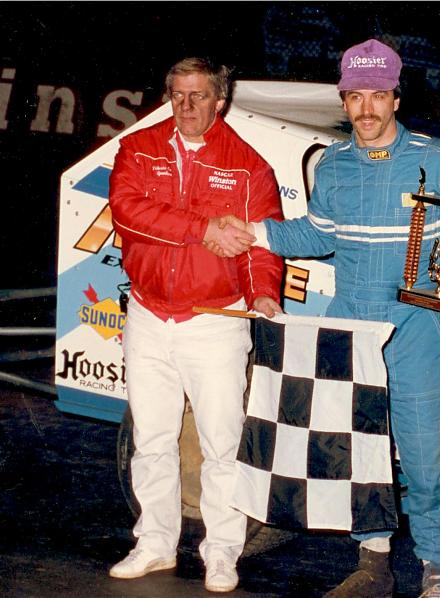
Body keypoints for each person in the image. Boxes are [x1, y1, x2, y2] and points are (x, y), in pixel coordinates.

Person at [216, 39, 440, 598]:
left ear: (396, 98)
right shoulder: (334, 164)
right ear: (344, 100)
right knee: (360, 453)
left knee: (423, 457)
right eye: (355, 97)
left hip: (415, 327)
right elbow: (317, 235)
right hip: (349, 327)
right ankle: (373, 561)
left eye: (378, 96)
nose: (366, 109)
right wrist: (258, 233)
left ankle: (437, 568)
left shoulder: (438, 159)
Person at [106, 57, 283, 593]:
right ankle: (155, 544)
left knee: (221, 445)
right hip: (148, 313)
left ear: (219, 102)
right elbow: (127, 211)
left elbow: (262, 245)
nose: (185, 106)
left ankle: (223, 552)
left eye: (198, 96)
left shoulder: (250, 167)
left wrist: (265, 292)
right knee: (152, 439)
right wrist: (203, 228)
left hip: (214, 323)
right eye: (177, 94)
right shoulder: (139, 148)